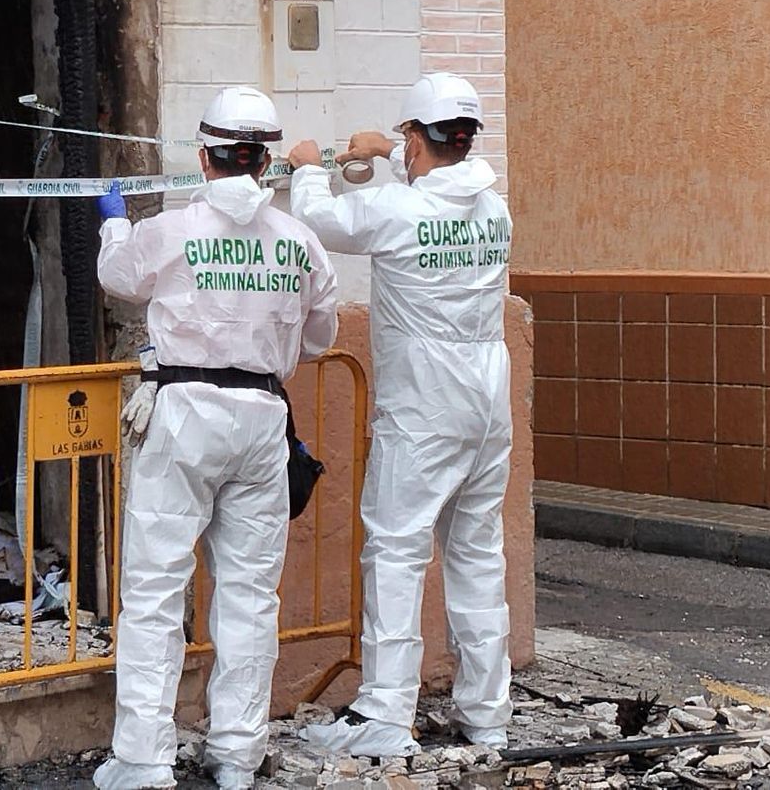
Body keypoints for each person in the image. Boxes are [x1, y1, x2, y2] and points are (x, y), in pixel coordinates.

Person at [92, 86, 341, 790]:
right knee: (250, 593)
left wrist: (113, 225)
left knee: (154, 589)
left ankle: (144, 759)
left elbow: (117, 277)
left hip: (184, 413)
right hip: (262, 418)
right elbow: (320, 337)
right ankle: (236, 753)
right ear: (264, 162)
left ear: (204, 157)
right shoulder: (299, 241)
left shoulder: (171, 230)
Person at [285, 73, 514, 757]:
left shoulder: (395, 210)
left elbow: (321, 220)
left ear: (419, 139)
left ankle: (385, 712)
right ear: (466, 139)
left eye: (407, 138)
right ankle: (488, 714)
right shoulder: (494, 211)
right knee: (477, 555)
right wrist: (387, 153)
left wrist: (307, 169)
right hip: (487, 402)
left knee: (395, 549)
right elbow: (436, 194)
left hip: (423, 407)